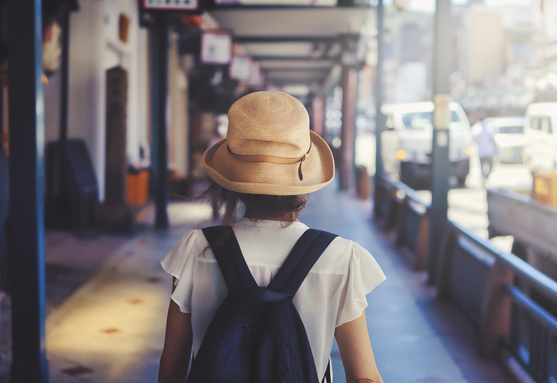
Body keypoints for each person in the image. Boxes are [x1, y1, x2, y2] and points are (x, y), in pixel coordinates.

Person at [158, 91, 386, 383]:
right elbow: (363, 377)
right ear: (303, 184)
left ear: (232, 183)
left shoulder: (195, 250)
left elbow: (172, 370)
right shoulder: (341, 257)